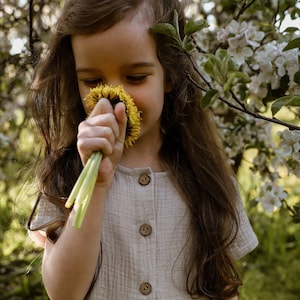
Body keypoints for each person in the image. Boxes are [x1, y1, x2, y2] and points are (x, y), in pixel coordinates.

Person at [27, 0, 258, 299]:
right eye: (92, 80)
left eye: (135, 77)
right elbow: (63, 292)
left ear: (170, 75)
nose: (114, 97)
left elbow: (223, 288)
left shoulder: (206, 179)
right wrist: (96, 185)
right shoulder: (67, 176)